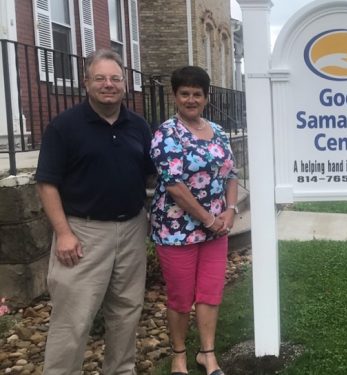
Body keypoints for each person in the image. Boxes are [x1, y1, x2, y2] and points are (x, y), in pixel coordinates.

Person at [36, 49, 154, 374]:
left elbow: (152, 173)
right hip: (82, 234)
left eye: (115, 78)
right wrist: (63, 233)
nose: (108, 85)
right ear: (86, 82)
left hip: (131, 229)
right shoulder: (64, 127)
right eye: (100, 78)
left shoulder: (138, 127)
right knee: (72, 319)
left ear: (124, 84)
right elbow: (46, 183)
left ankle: (121, 370)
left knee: (127, 311)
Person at [150, 66, 238, 375]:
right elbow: (174, 185)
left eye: (197, 94)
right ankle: (178, 355)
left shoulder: (218, 131)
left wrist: (230, 210)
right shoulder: (166, 133)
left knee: (210, 292)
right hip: (176, 230)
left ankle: (207, 354)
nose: (191, 99)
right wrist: (208, 219)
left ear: (206, 97)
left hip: (216, 229)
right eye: (184, 93)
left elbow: (230, 173)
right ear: (175, 96)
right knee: (180, 296)